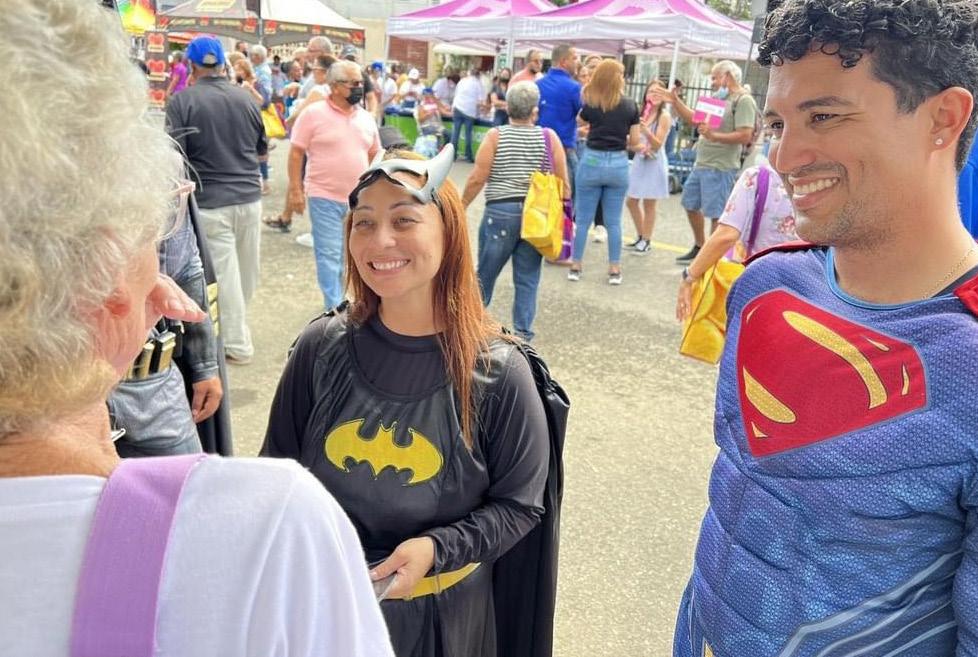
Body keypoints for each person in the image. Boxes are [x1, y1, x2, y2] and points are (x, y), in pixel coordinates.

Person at [0, 2, 395, 655]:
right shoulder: (264, 529)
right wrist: (197, 352)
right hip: (177, 309)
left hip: (166, 297)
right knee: (238, 281)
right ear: (104, 274)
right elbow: (195, 260)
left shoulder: (187, 108)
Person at [674, 1, 978, 655]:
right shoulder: (763, 287)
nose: (784, 156)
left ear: (943, 119)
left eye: (824, 116)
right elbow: (742, 501)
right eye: (778, 123)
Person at [261, 145, 550, 657]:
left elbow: (519, 505)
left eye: (404, 220)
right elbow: (276, 473)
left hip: (440, 624)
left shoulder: (499, 373)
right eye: (364, 223)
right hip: (323, 609)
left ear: (448, 232)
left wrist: (438, 548)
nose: (381, 241)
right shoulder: (319, 348)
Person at [166, 36, 266, 365]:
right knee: (245, 273)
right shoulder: (246, 99)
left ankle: (236, 342)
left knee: (226, 277)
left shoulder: (182, 102)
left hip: (211, 201)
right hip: (249, 197)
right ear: (222, 65)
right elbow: (262, 149)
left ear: (192, 66)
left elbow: (175, 157)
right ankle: (236, 328)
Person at [462, 82, 570, 341]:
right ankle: (523, 337)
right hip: (536, 217)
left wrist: (461, 205)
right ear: (535, 110)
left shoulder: (495, 136)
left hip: (500, 212)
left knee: (485, 274)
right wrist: (565, 220)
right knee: (528, 279)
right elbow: (563, 183)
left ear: (508, 108)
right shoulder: (549, 137)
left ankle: (470, 327)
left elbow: (477, 177)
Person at [288, 60, 381, 311]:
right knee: (329, 255)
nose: (360, 88)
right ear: (335, 86)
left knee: (350, 256)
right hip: (323, 197)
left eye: (361, 82)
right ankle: (335, 309)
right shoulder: (313, 114)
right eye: (354, 83)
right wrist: (296, 190)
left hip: (359, 200)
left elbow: (375, 154)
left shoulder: (366, 118)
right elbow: (296, 153)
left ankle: (349, 302)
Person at [657, 60, 757, 264]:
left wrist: (714, 136)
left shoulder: (743, 100)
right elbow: (696, 119)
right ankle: (701, 247)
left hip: (721, 166)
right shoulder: (717, 98)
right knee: (690, 204)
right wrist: (675, 101)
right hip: (702, 163)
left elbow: (745, 134)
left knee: (716, 215)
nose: (712, 82)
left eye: (714, 77)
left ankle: (711, 259)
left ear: (727, 76)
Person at [675, 160, 797, 322]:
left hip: (757, 284)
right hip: (802, 289)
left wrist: (689, 276)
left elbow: (727, 235)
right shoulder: (822, 182)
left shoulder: (757, 177)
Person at [567, 60, 640, 286]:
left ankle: (576, 265)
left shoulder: (592, 103)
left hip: (592, 160)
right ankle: (614, 269)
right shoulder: (630, 106)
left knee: (583, 219)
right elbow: (635, 141)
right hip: (618, 163)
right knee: (614, 221)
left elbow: (578, 121)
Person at [625, 80, 672, 254]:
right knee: (631, 201)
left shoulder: (664, 116)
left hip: (655, 161)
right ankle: (641, 235)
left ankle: (646, 240)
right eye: (651, 91)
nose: (654, 95)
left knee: (649, 203)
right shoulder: (640, 113)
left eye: (659, 92)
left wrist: (646, 131)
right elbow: (633, 140)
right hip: (640, 159)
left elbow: (658, 144)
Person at [537, 44, 582, 187]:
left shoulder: (537, 85)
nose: (578, 62)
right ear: (563, 62)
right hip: (564, 150)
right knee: (566, 194)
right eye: (574, 58)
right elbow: (585, 116)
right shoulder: (574, 87)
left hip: (538, 149)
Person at [451, 67, 484, 163]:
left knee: (455, 133)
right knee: (468, 134)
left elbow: (456, 94)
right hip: (469, 111)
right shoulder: (478, 84)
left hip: (457, 108)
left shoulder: (462, 81)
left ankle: (452, 156)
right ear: (478, 75)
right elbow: (480, 101)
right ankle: (468, 156)